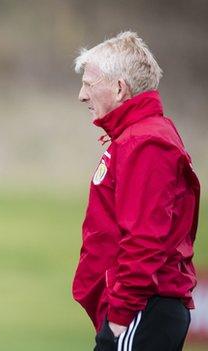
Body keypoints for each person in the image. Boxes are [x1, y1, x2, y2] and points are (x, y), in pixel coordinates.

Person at [72, 31, 200, 351]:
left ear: (119, 88)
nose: (82, 95)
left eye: (89, 84)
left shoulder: (146, 143)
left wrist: (119, 316)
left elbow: (145, 237)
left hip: (140, 311)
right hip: (136, 311)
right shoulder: (134, 137)